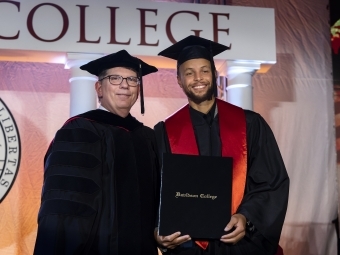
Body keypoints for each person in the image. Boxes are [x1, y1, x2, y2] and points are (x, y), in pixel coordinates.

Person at [154, 36, 289, 255]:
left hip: (240, 243)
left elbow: (271, 182)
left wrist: (246, 217)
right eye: (189, 73)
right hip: (188, 247)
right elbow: (155, 191)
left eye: (204, 70)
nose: (198, 78)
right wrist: (158, 231)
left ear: (214, 74)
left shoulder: (251, 124)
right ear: (179, 80)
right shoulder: (164, 132)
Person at [34, 50, 160, 255]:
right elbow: (64, 208)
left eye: (132, 79)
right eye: (115, 78)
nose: (125, 85)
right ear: (99, 88)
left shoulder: (148, 138)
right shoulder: (78, 131)